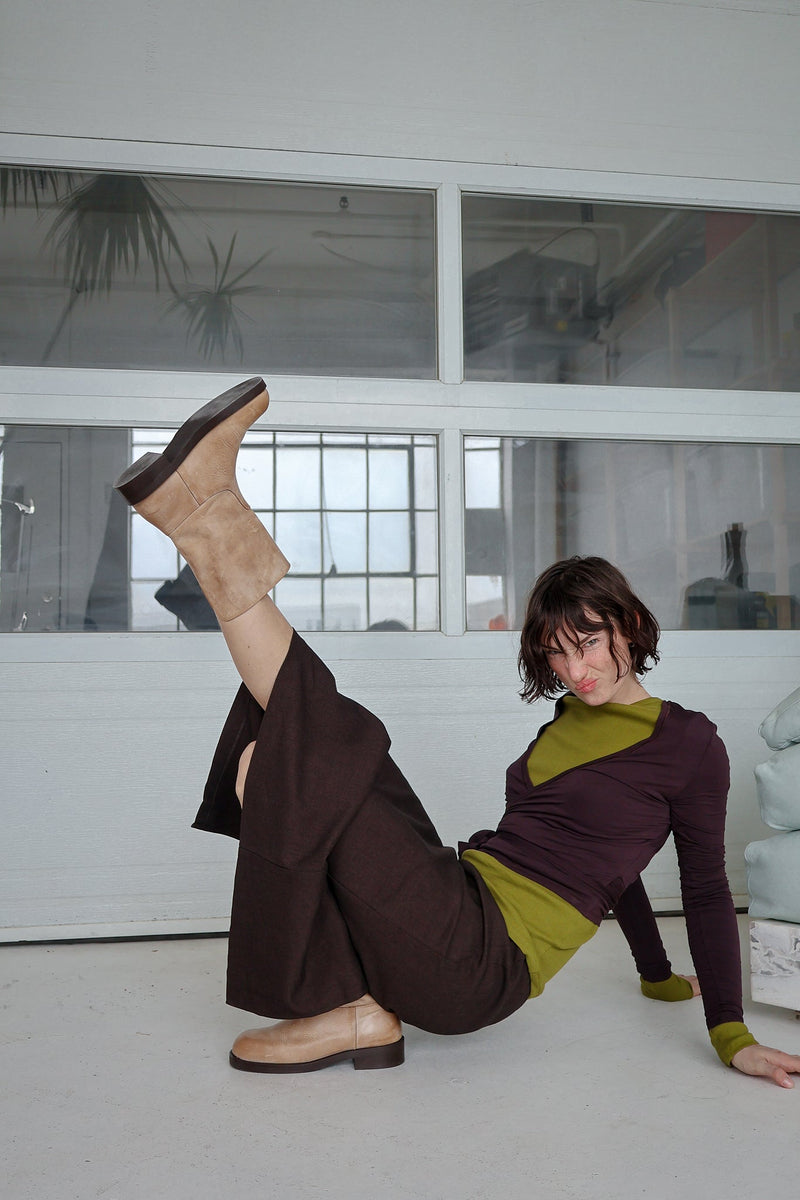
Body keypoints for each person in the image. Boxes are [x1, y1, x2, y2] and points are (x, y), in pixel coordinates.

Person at [115, 377, 800, 1086]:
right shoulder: (562, 726)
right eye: (557, 654)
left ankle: (206, 520)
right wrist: (653, 974)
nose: (574, 669)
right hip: (454, 890)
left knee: (302, 745)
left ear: (626, 624)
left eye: (588, 643)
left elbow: (704, 887)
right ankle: (352, 1007)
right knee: (284, 752)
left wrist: (729, 1032)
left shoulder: (687, 745)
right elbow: (612, 863)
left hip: (478, 963)